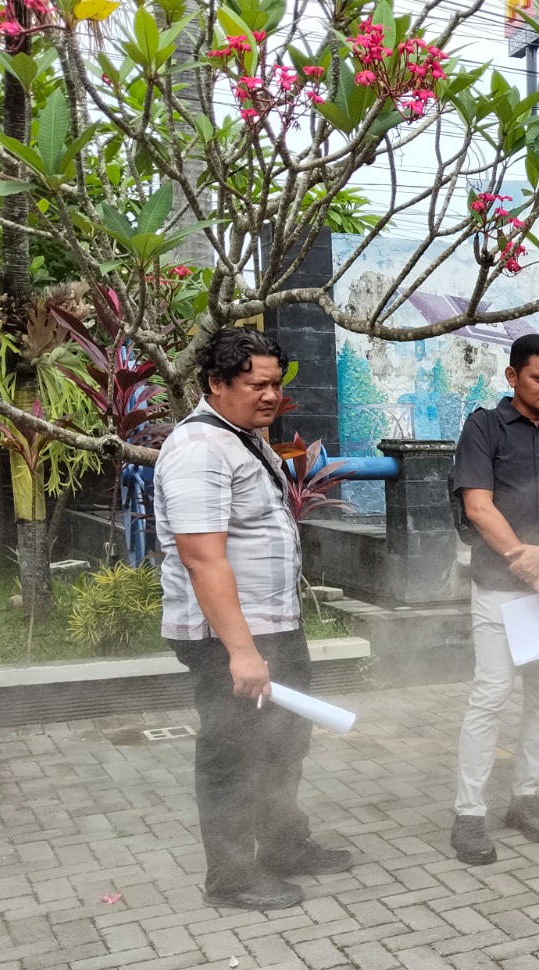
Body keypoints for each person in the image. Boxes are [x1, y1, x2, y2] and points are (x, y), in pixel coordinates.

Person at [154, 327, 352, 911]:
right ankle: (233, 878)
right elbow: (201, 554)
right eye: (255, 384)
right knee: (234, 752)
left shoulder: (242, 437)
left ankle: (285, 846)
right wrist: (241, 651)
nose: (270, 395)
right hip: (228, 637)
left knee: (284, 741)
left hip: (271, 624)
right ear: (215, 383)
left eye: (275, 383)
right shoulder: (199, 448)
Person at [447, 334, 539, 861]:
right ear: (513, 377)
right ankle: (469, 814)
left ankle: (526, 797)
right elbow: (480, 508)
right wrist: (533, 570)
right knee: (490, 697)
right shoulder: (483, 427)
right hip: (499, 588)